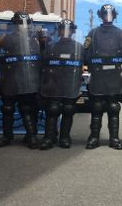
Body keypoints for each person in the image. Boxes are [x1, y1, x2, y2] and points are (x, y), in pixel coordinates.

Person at [84, 4, 122, 150]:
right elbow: (86, 54)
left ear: (114, 15)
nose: (107, 16)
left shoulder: (121, 33)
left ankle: (114, 139)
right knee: (96, 108)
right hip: (98, 76)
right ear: (101, 15)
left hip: (114, 77)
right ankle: (94, 138)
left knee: (113, 108)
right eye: (105, 14)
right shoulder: (93, 33)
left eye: (110, 14)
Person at [0, 11, 42, 149]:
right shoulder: (7, 39)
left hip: (28, 79)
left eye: (24, 23)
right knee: (8, 108)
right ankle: (7, 136)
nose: (22, 26)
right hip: (10, 78)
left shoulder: (36, 39)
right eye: (19, 24)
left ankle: (31, 136)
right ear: (15, 25)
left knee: (28, 107)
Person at [39, 19, 84, 150]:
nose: (65, 32)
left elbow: (84, 66)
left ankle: (64, 137)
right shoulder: (51, 46)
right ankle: (49, 137)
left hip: (70, 84)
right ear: (59, 31)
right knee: (52, 110)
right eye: (63, 29)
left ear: (72, 31)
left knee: (68, 110)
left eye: (68, 29)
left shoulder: (79, 47)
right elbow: (43, 65)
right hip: (53, 84)